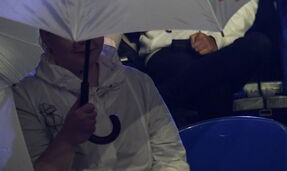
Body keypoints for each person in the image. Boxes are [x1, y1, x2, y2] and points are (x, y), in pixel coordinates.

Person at [14, 32, 188, 171]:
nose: (83, 40)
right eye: (67, 31)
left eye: (90, 27)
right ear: (47, 35)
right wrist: (66, 140)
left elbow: (170, 155)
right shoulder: (26, 96)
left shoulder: (137, 82)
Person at [140, 0, 269, 124]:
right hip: (166, 51)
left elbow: (243, 5)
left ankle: (162, 98)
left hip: (219, 52)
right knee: (217, 91)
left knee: (258, 43)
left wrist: (215, 39)